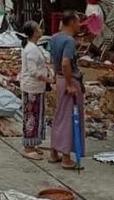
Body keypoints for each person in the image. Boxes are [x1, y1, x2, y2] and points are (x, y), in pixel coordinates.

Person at [49, 11, 85, 170]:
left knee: (60, 115)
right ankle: (66, 157)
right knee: (70, 118)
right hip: (68, 80)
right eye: (77, 22)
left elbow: (54, 62)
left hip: (59, 78)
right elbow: (65, 63)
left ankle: (54, 152)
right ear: (71, 23)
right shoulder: (69, 41)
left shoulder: (55, 38)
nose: (79, 25)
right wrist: (70, 84)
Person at [19, 21, 52, 160]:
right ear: (33, 32)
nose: (40, 29)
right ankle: (27, 147)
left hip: (36, 87)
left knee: (35, 115)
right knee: (31, 116)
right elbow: (33, 71)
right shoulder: (31, 49)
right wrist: (48, 80)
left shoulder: (34, 47)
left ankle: (33, 144)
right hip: (32, 86)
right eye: (38, 28)